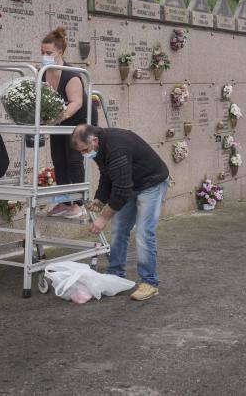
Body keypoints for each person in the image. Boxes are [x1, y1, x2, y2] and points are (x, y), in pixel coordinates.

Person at [72, 124, 170, 301]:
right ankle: (115, 274)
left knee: (144, 232)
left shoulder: (117, 147)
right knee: (118, 229)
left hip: (151, 183)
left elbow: (122, 190)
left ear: (94, 140)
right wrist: (100, 198)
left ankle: (150, 282)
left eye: (85, 150)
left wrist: (103, 218)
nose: (84, 154)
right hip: (131, 183)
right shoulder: (100, 145)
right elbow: (106, 173)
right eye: (81, 152)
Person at [41, 27, 96, 219]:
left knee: (73, 159)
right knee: (58, 159)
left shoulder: (71, 74)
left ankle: (79, 204)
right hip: (59, 119)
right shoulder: (43, 73)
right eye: (42, 53)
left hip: (79, 119)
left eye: (49, 53)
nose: (45, 56)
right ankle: (65, 202)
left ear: (60, 53)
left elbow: (76, 103)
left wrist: (55, 118)